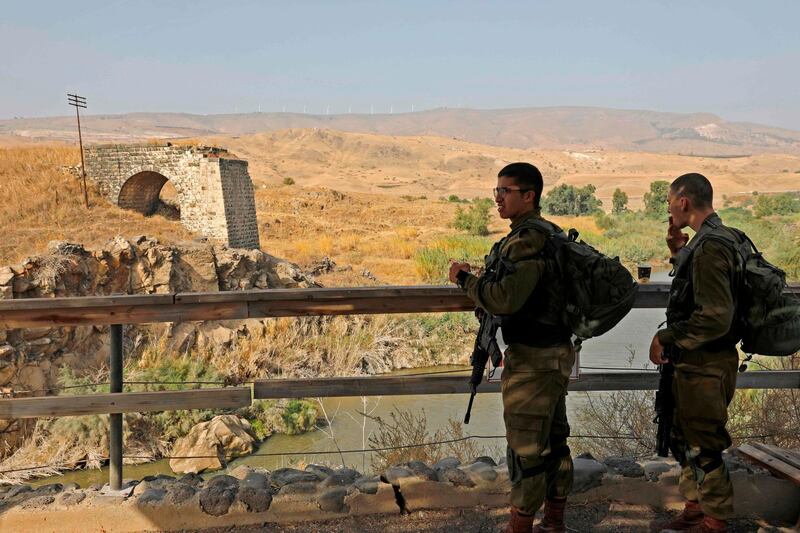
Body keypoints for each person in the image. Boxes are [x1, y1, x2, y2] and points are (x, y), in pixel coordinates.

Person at [449, 162, 574, 533]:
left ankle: (520, 524)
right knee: (553, 439)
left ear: (529, 195)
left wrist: (464, 279)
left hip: (534, 360)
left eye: (505, 192)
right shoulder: (549, 234)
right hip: (553, 352)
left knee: (526, 448)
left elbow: (504, 299)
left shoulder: (527, 241)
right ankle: (554, 521)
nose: (498, 199)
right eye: (496, 192)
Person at [649, 173, 740, 533]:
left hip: (707, 364)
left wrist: (666, 337)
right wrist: (677, 253)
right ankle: (694, 511)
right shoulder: (713, 240)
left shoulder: (712, 246)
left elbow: (715, 317)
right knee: (686, 437)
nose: (669, 208)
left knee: (704, 445)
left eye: (670, 201)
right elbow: (696, 289)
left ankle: (714, 522)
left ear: (683, 202)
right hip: (698, 363)